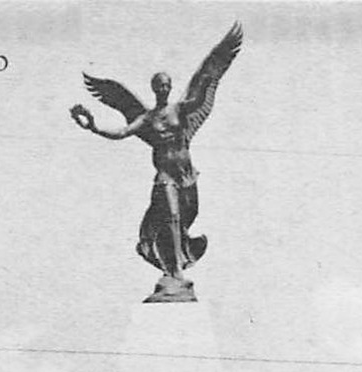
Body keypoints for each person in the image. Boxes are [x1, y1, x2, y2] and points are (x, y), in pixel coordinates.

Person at [70, 24, 243, 301]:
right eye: (159, 85)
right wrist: (92, 127)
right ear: (154, 88)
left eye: (166, 84)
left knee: (187, 215)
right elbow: (122, 133)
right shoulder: (146, 119)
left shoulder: (181, 109)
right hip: (165, 175)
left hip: (187, 174)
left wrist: (213, 69)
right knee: (171, 217)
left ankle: (176, 258)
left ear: (170, 87)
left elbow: (203, 89)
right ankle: (175, 274)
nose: (163, 88)